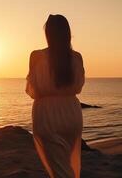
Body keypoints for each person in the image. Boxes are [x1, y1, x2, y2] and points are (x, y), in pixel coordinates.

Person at [26, 14, 85, 178]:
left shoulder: (36, 56)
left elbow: (33, 89)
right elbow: (79, 86)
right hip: (71, 113)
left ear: (48, 34)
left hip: (47, 115)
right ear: (67, 33)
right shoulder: (77, 57)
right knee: (66, 166)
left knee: (60, 171)